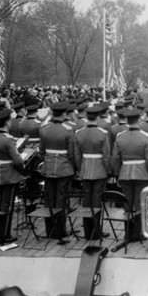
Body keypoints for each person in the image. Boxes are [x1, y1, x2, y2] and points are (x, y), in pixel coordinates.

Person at [111, 107, 148, 241]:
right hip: (141, 173)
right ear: (138, 119)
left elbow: (115, 158)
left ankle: (128, 233)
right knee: (140, 203)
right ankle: (138, 233)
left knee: (128, 204)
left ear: (127, 120)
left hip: (125, 173)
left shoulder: (120, 137)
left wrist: (117, 173)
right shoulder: (145, 137)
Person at [38, 101, 77, 243]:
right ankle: (60, 231)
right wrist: (73, 167)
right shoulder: (68, 130)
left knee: (49, 199)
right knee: (61, 200)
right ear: (64, 114)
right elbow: (72, 154)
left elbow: (41, 150)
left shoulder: (44, 128)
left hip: (48, 168)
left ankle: (50, 230)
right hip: (64, 169)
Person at [74, 104, 112, 240]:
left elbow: (77, 155)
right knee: (96, 201)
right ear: (97, 117)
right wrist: (109, 171)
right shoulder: (102, 133)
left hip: (85, 169)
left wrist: (80, 169)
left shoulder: (79, 133)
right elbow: (106, 155)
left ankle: (87, 231)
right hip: (99, 170)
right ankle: (96, 232)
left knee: (86, 201)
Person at [0, 108, 25, 244]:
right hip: (9, 174)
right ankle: (4, 234)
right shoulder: (8, 139)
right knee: (7, 206)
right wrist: (22, 168)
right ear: (7, 122)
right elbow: (17, 160)